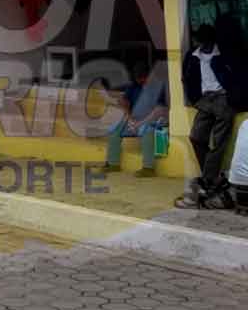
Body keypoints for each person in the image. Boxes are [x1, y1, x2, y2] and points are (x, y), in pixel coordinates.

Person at [179, 24, 240, 206]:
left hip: (223, 97)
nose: (202, 45)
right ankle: (212, 177)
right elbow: (186, 77)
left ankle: (208, 180)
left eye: (205, 42)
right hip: (204, 100)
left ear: (212, 40)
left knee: (218, 141)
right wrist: (194, 99)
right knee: (196, 137)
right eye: (200, 42)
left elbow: (236, 76)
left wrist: (233, 97)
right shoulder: (192, 56)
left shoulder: (224, 53)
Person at [102, 63, 168, 178]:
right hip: (136, 120)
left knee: (147, 131)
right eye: (139, 79)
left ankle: (148, 168)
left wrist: (140, 123)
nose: (141, 81)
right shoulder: (134, 86)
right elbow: (124, 101)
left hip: (156, 120)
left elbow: (159, 110)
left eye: (144, 78)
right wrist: (129, 117)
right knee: (114, 130)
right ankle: (113, 164)